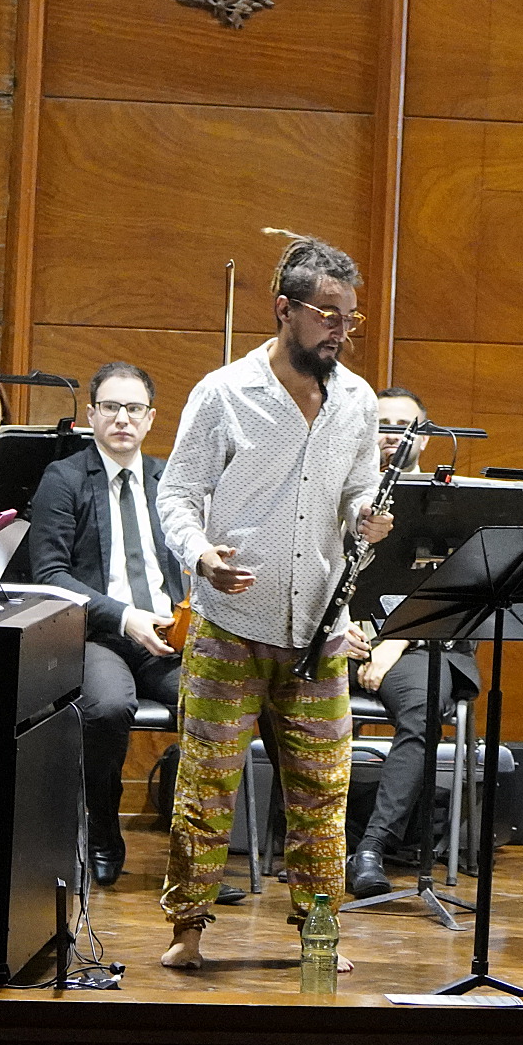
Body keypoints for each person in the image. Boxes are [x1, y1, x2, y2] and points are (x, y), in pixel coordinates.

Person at [155, 236, 391, 972]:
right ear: (284, 308)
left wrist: (367, 519)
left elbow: (355, 492)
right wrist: (199, 554)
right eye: (327, 314)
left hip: (320, 625)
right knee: (207, 783)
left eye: (350, 317)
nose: (340, 329)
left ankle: (317, 932)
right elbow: (177, 492)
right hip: (232, 622)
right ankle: (187, 929)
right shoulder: (224, 391)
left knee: (324, 795)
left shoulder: (358, 400)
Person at [18, 362, 184, 887]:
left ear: (151, 417)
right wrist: (125, 617)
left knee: (215, 706)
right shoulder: (63, 478)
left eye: (133, 408)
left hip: (168, 633)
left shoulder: (169, 480)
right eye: (110, 407)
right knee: (108, 707)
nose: (122, 418)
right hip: (97, 633)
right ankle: (105, 826)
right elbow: (50, 576)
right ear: (91, 415)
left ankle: (195, 853)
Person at [345, 386, 482, 898]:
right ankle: (309, 839)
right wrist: (341, 626)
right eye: (383, 424)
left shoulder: (455, 505)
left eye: (408, 426)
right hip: (345, 640)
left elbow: (460, 591)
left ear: (424, 437)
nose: (394, 436)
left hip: (428, 647)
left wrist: (395, 641)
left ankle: (371, 848)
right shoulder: (343, 492)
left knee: (424, 710)